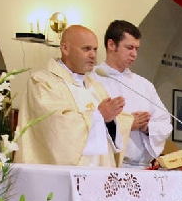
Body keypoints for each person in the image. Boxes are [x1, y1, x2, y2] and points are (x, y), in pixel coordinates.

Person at [15, 25, 132, 167]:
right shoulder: (42, 82)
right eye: (86, 49)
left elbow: (111, 134)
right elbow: (55, 127)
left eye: (95, 49)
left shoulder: (96, 88)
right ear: (65, 49)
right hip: (63, 174)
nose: (93, 55)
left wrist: (113, 120)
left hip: (100, 172)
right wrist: (99, 116)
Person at [91, 20, 171, 168]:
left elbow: (165, 123)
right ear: (111, 45)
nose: (134, 54)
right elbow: (86, 123)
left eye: (136, 49)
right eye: (129, 48)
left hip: (142, 166)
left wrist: (147, 127)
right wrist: (128, 124)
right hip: (107, 165)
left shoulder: (144, 85)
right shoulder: (91, 79)